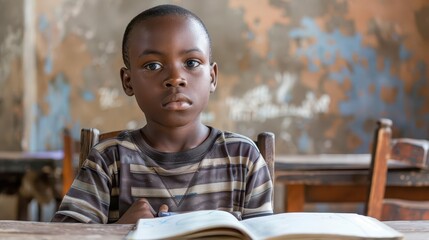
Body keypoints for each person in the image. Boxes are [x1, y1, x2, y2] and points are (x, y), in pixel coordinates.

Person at [52, 4, 273, 224]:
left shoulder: (243, 158)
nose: (175, 77)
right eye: (153, 66)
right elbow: (64, 235)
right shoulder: (109, 159)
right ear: (128, 82)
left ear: (212, 77)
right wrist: (119, 230)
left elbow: (263, 234)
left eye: (191, 62)